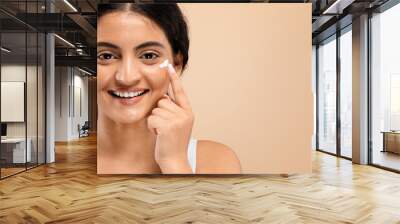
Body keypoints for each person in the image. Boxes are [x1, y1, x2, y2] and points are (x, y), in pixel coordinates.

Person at [97, 3, 241, 174]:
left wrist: (174, 162)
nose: (127, 77)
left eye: (149, 55)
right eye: (106, 56)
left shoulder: (217, 161)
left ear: (177, 63)